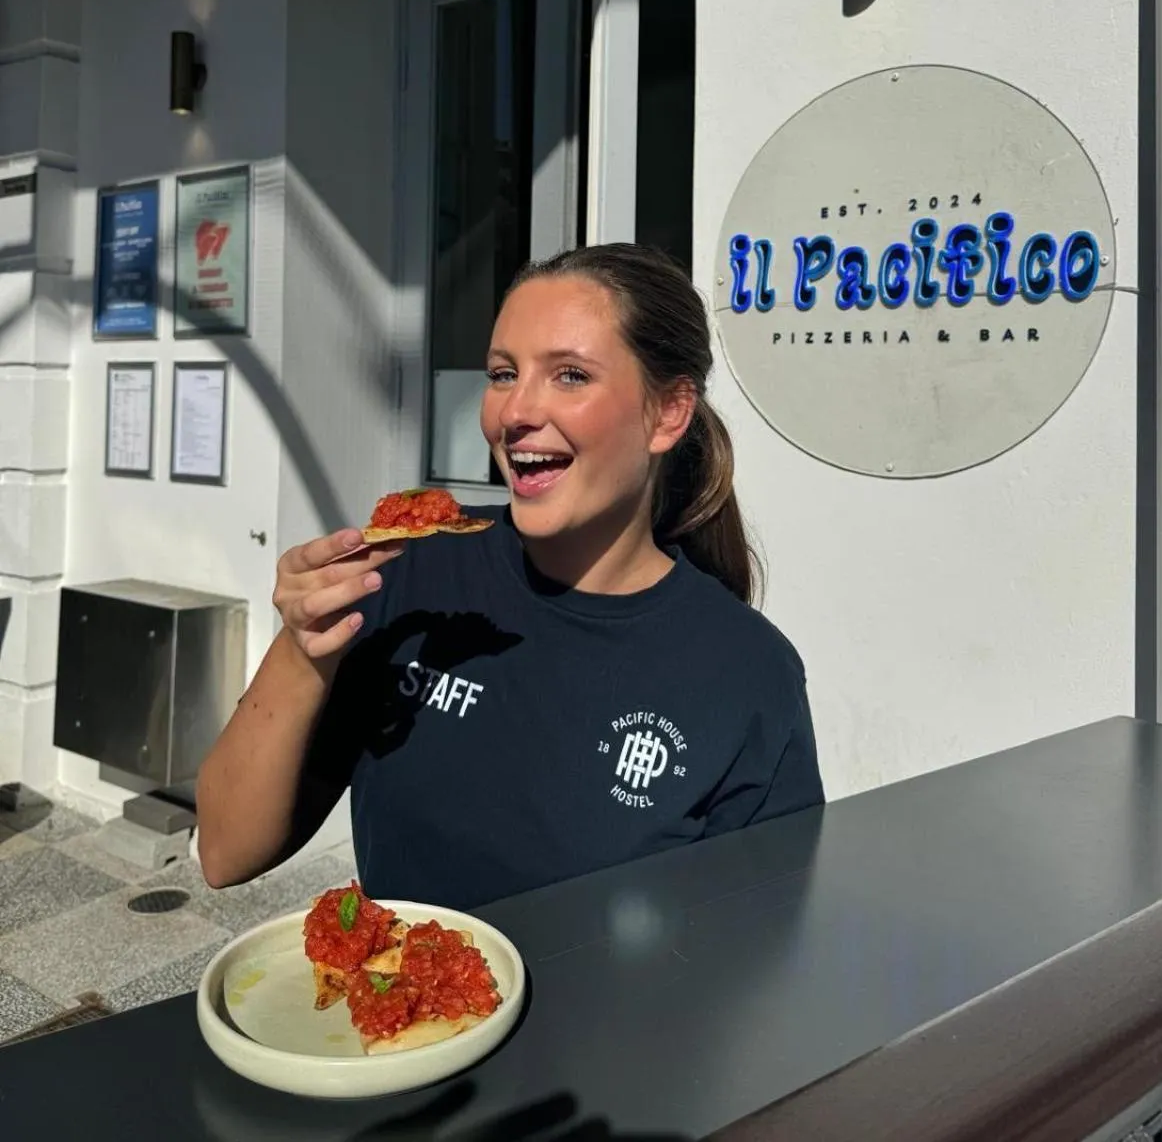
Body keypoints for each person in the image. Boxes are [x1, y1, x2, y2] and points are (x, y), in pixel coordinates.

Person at [196, 244, 823, 911]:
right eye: (502, 373)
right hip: (401, 1008)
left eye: (571, 376)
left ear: (667, 412)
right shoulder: (416, 569)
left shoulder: (748, 674)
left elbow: (757, 950)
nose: (514, 411)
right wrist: (301, 649)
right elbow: (225, 850)